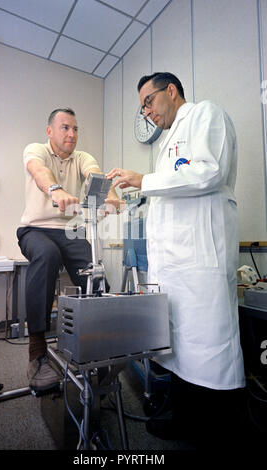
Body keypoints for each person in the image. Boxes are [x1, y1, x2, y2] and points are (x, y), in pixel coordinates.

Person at [106, 73, 246, 442]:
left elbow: (208, 172)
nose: (147, 112)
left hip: (201, 262)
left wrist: (143, 180)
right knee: (180, 349)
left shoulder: (205, 115)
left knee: (210, 351)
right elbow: (170, 193)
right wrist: (131, 199)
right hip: (175, 268)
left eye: (149, 102)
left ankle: (221, 431)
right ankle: (184, 419)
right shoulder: (167, 143)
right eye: (142, 108)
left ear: (171, 90)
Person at [17, 107, 120, 393]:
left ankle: (100, 347)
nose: (71, 134)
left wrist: (110, 195)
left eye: (75, 129)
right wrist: (55, 190)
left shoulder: (82, 157)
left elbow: (95, 174)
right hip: (34, 230)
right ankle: (37, 353)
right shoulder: (35, 149)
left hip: (69, 232)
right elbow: (39, 171)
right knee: (46, 255)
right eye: (64, 128)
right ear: (50, 131)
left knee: (94, 268)